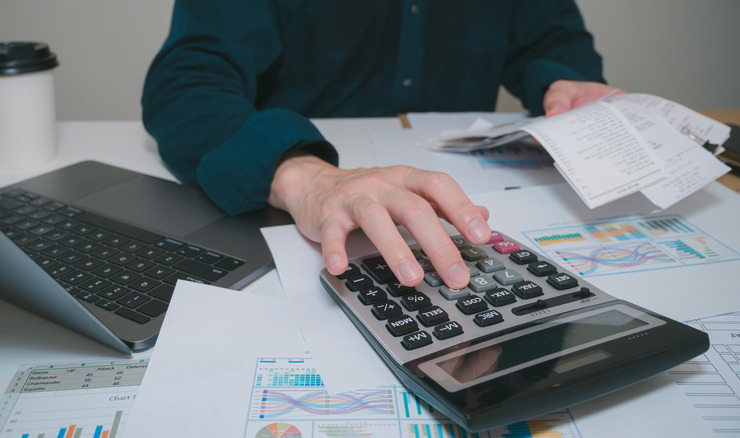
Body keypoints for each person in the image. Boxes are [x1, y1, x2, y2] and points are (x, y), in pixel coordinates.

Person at [141, 0, 619, 290]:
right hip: (288, 222)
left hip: (483, 195)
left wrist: (563, 80)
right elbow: (187, 83)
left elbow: (551, 38)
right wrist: (305, 178)